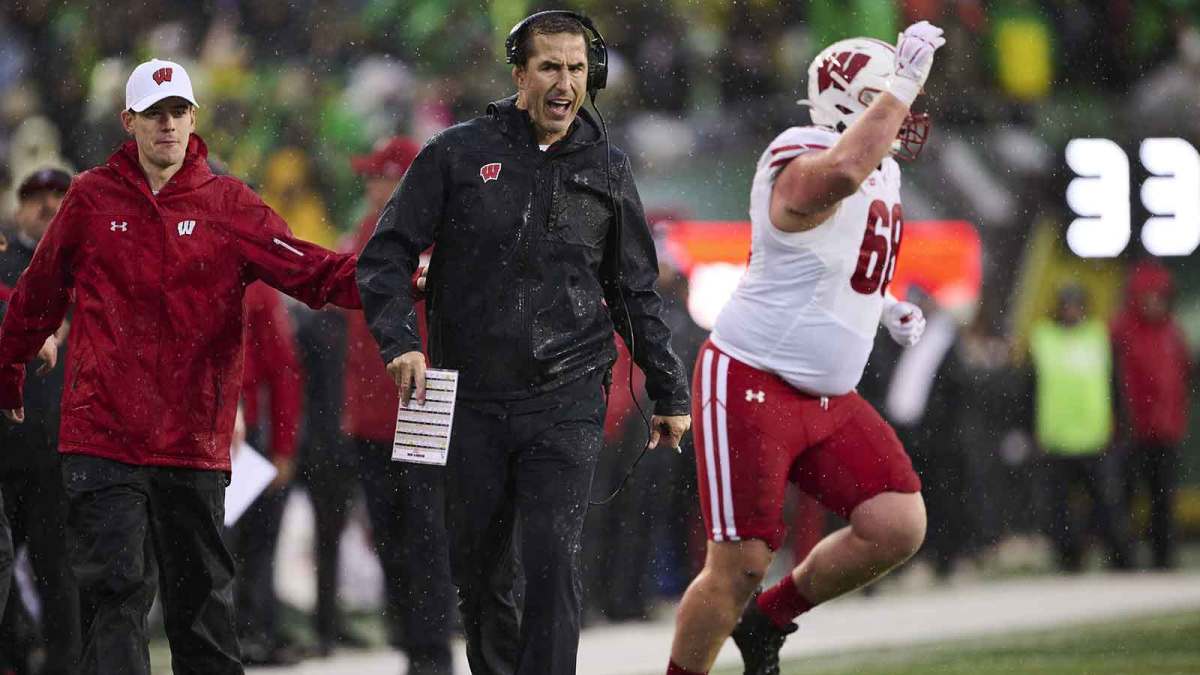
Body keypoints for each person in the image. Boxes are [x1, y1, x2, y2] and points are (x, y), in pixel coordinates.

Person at [0, 58, 361, 674]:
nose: (167, 125)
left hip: (192, 442)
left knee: (201, 611)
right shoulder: (89, 197)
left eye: (177, 112)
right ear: (129, 121)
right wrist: (9, 367)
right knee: (114, 599)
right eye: (153, 114)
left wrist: (401, 275)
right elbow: (38, 294)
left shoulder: (229, 204)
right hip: (103, 439)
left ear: (193, 118)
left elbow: (313, 271)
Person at [357, 11, 692, 675]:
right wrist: (400, 341)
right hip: (470, 396)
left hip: (566, 396)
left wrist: (668, 387)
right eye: (549, 67)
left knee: (550, 556)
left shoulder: (607, 168)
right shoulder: (454, 155)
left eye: (575, 68)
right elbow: (385, 256)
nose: (564, 81)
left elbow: (635, 292)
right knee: (481, 574)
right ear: (519, 74)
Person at [666, 23, 945, 675]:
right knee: (738, 566)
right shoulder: (801, 148)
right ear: (852, 102)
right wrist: (901, 82)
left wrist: (885, 301)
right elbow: (838, 175)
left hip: (828, 394)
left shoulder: (886, 173)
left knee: (897, 523)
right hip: (752, 380)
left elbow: (831, 260)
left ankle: (767, 621)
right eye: (887, 100)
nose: (903, 115)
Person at [341, 136, 455, 672]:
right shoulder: (373, 232)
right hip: (372, 413)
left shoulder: (434, 235)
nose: (371, 187)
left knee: (424, 540)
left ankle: (429, 656)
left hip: (423, 405)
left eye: (379, 177)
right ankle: (416, 651)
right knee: (392, 538)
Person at [0, 165, 81, 674]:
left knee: (61, 573)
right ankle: (15, 654)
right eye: (37, 197)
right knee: (3, 570)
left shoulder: (87, 261)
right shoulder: (6, 262)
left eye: (59, 196)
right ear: (17, 207)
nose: (48, 205)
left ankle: (63, 666)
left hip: (61, 450)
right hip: (5, 448)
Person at [226, 280, 303, 665]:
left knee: (251, 543)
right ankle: (242, 633)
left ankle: (252, 631)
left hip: (244, 437)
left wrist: (283, 448)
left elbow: (282, 369)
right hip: (213, 429)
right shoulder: (256, 290)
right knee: (233, 544)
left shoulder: (256, 289)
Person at [1029, 285, 1132, 572]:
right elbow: (1030, 389)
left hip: (1094, 434)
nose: (1071, 311)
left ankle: (1119, 557)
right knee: (1059, 508)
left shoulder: (1098, 337)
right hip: (1056, 436)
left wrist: (1119, 422)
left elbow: (1114, 384)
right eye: (1067, 305)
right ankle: (1069, 558)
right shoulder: (1043, 339)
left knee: (1107, 504)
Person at [1111, 260, 1190, 569]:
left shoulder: (1173, 332)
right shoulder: (1121, 330)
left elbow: (1182, 377)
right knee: (1125, 498)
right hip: (1131, 430)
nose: (1154, 303)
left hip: (1165, 430)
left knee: (1163, 499)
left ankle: (1163, 557)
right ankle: (1124, 560)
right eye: (1149, 296)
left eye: (1159, 296)